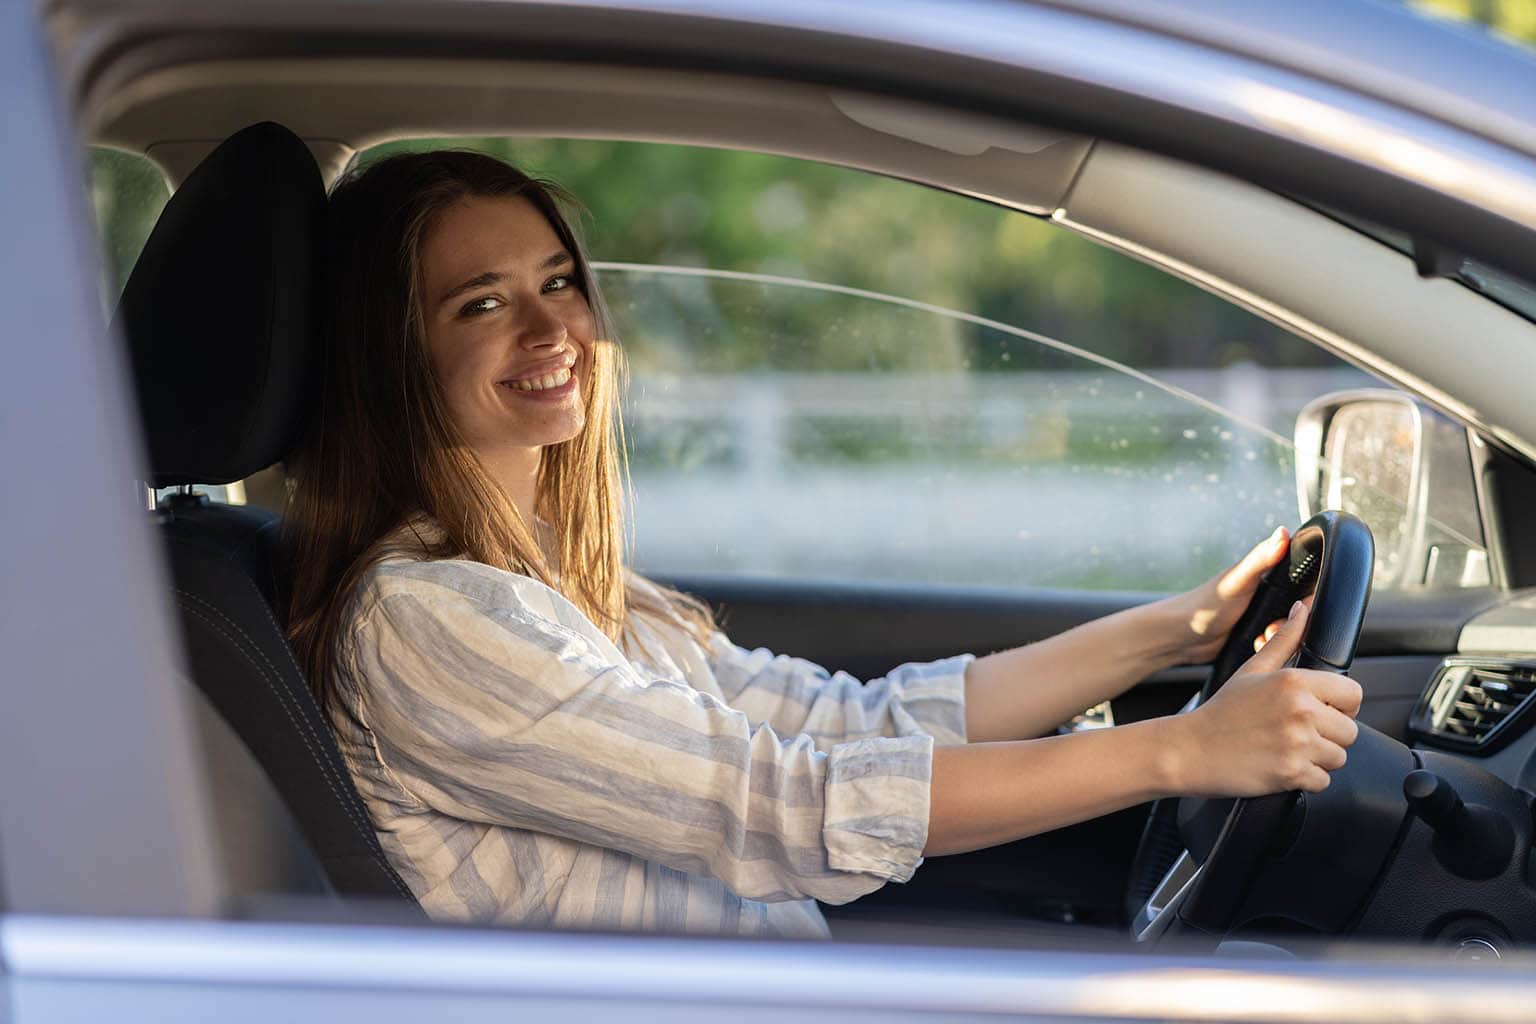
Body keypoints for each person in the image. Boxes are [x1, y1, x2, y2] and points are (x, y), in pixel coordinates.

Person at [285, 150, 1362, 938]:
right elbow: (783, 808)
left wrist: (1184, 625)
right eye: (482, 304)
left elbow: (853, 724)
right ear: (393, 357)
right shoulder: (428, 620)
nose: (553, 330)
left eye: (559, 281)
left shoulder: (551, 574)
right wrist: (1179, 751)